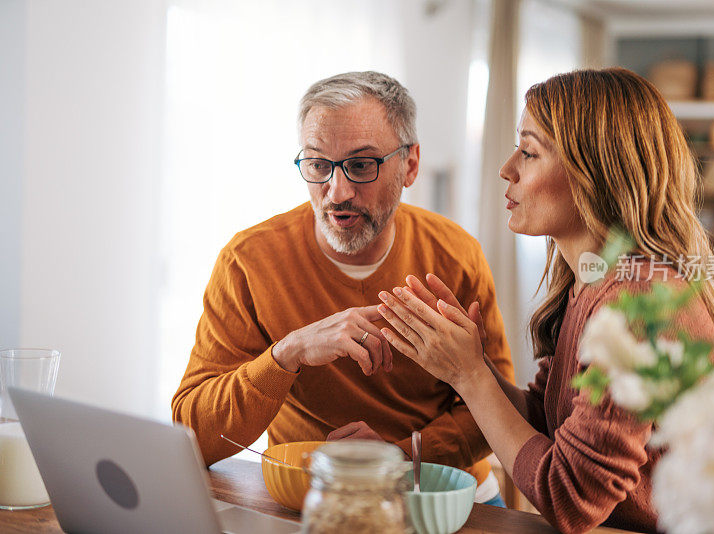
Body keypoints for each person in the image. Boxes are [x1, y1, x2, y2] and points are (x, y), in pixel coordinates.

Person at [375, 68, 714, 533]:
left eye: (529, 151)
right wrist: (465, 356)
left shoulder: (638, 304)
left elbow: (570, 500)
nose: (507, 168)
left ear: (595, 174)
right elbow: (545, 418)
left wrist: (470, 375)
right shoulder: (590, 282)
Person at [171, 71, 514, 506]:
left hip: (440, 496)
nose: (338, 191)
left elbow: (497, 410)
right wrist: (288, 353)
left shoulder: (455, 255)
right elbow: (192, 436)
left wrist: (400, 457)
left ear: (409, 165)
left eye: (361, 165)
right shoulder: (248, 261)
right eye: (318, 165)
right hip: (308, 497)